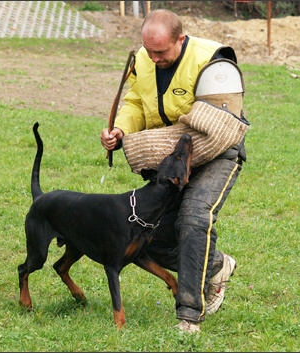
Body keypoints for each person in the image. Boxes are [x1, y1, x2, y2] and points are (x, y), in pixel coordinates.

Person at [100, 9, 246, 333]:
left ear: (181, 39)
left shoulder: (211, 60)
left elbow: (217, 126)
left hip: (215, 155)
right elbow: (136, 102)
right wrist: (121, 131)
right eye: (148, 50)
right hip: (170, 159)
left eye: (161, 51)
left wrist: (149, 146)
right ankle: (216, 265)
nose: (153, 58)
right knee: (143, 233)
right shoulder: (145, 58)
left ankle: (189, 316)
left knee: (193, 219)